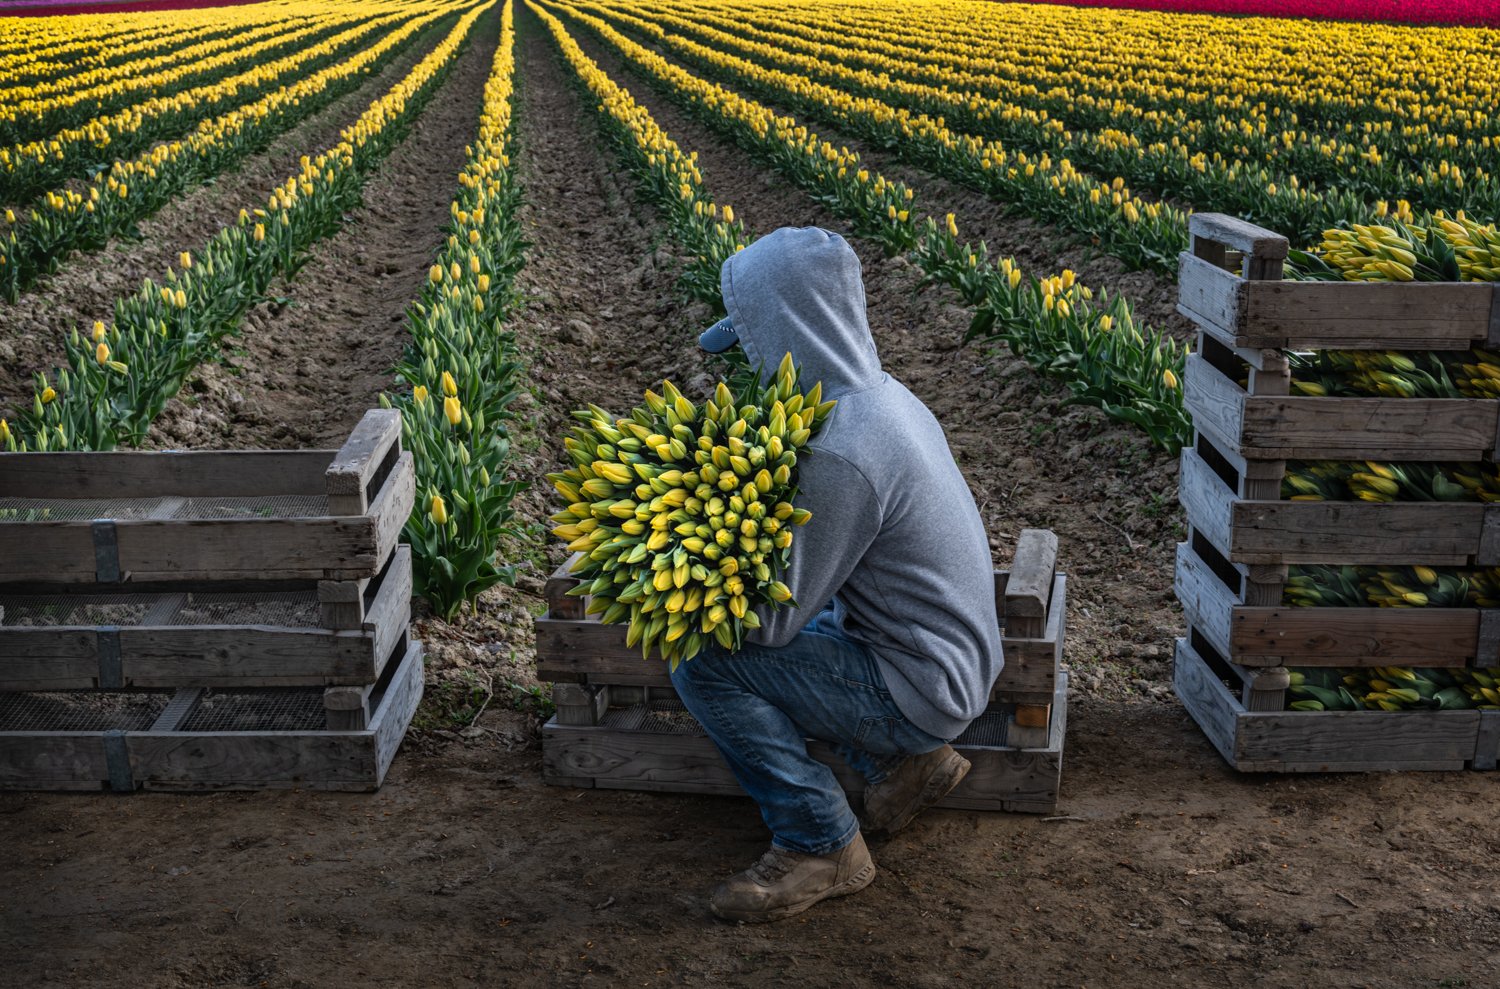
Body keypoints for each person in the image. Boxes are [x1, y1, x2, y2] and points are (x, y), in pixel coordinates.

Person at [672, 226, 1004, 923]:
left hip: (924, 683)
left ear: (788, 331)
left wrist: (690, 566)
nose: (748, 369)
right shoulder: (882, 398)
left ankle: (818, 841)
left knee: (701, 657)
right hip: (946, 655)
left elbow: (772, 623)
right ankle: (908, 765)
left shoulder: (842, 453)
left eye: (755, 346)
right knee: (816, 620)